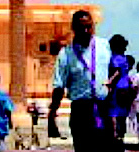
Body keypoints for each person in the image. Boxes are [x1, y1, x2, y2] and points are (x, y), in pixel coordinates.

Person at [48, 9, 112, 152]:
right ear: (73, 28)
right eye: (81, 27)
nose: (86, 31)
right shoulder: (66, 54)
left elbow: (115, 70)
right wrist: (52, 114)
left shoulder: (104, 46)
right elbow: (59, 86)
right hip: (81, 109)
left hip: (102, 107)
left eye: (89, 27)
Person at [107, 33, 133, 148]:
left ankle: (115, 137)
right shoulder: (124, 58)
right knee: (122, 115)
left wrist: (109, 82)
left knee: (113, 113)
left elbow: (117, 72)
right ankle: (121, 136)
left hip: (117, 89)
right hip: (126, 88)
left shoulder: (115, 58)